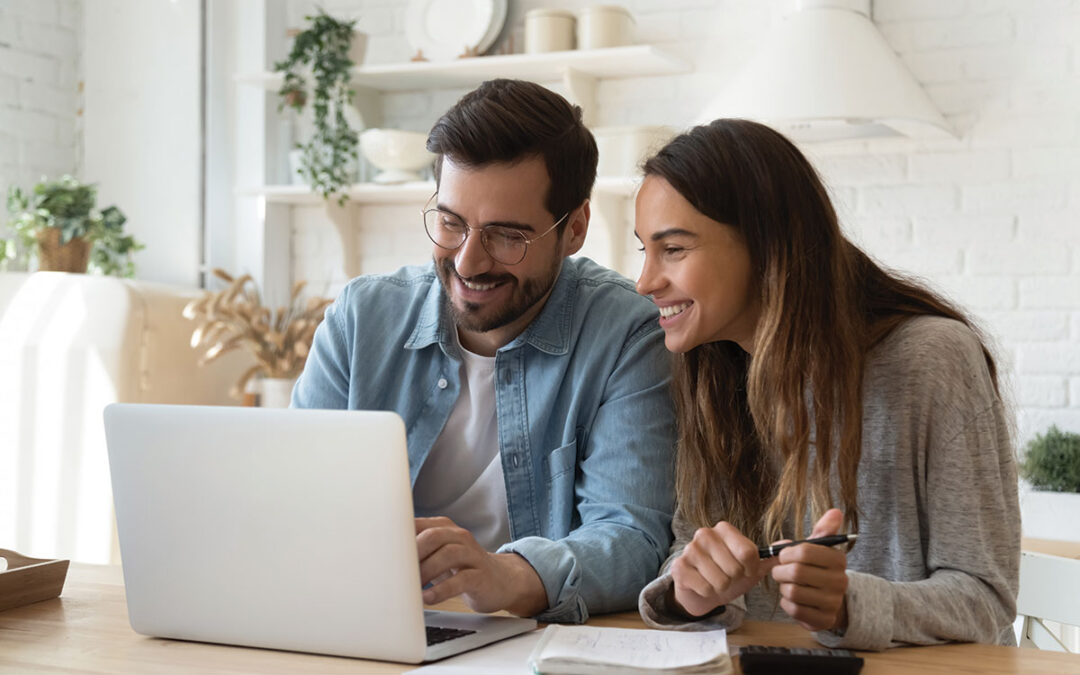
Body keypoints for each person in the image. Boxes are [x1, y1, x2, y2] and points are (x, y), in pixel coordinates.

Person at [292, 79, 676, 624]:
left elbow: (632, 538)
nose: (468, 262)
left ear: (575, 229)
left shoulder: (626, 337)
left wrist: (507, 576)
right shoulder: (360, 319)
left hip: (526, 639)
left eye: (507, 235)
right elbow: (293, 499)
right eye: (451, 223)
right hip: (364, 622)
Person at [633, 119, 1019, 650]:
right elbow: (690, 549)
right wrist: (691, 592)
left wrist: (849, 606)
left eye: (673, 249)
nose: (645, 281)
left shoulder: (933, 359)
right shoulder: (713, 373)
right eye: (644, 251)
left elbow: (985, 599)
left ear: (766, 245)